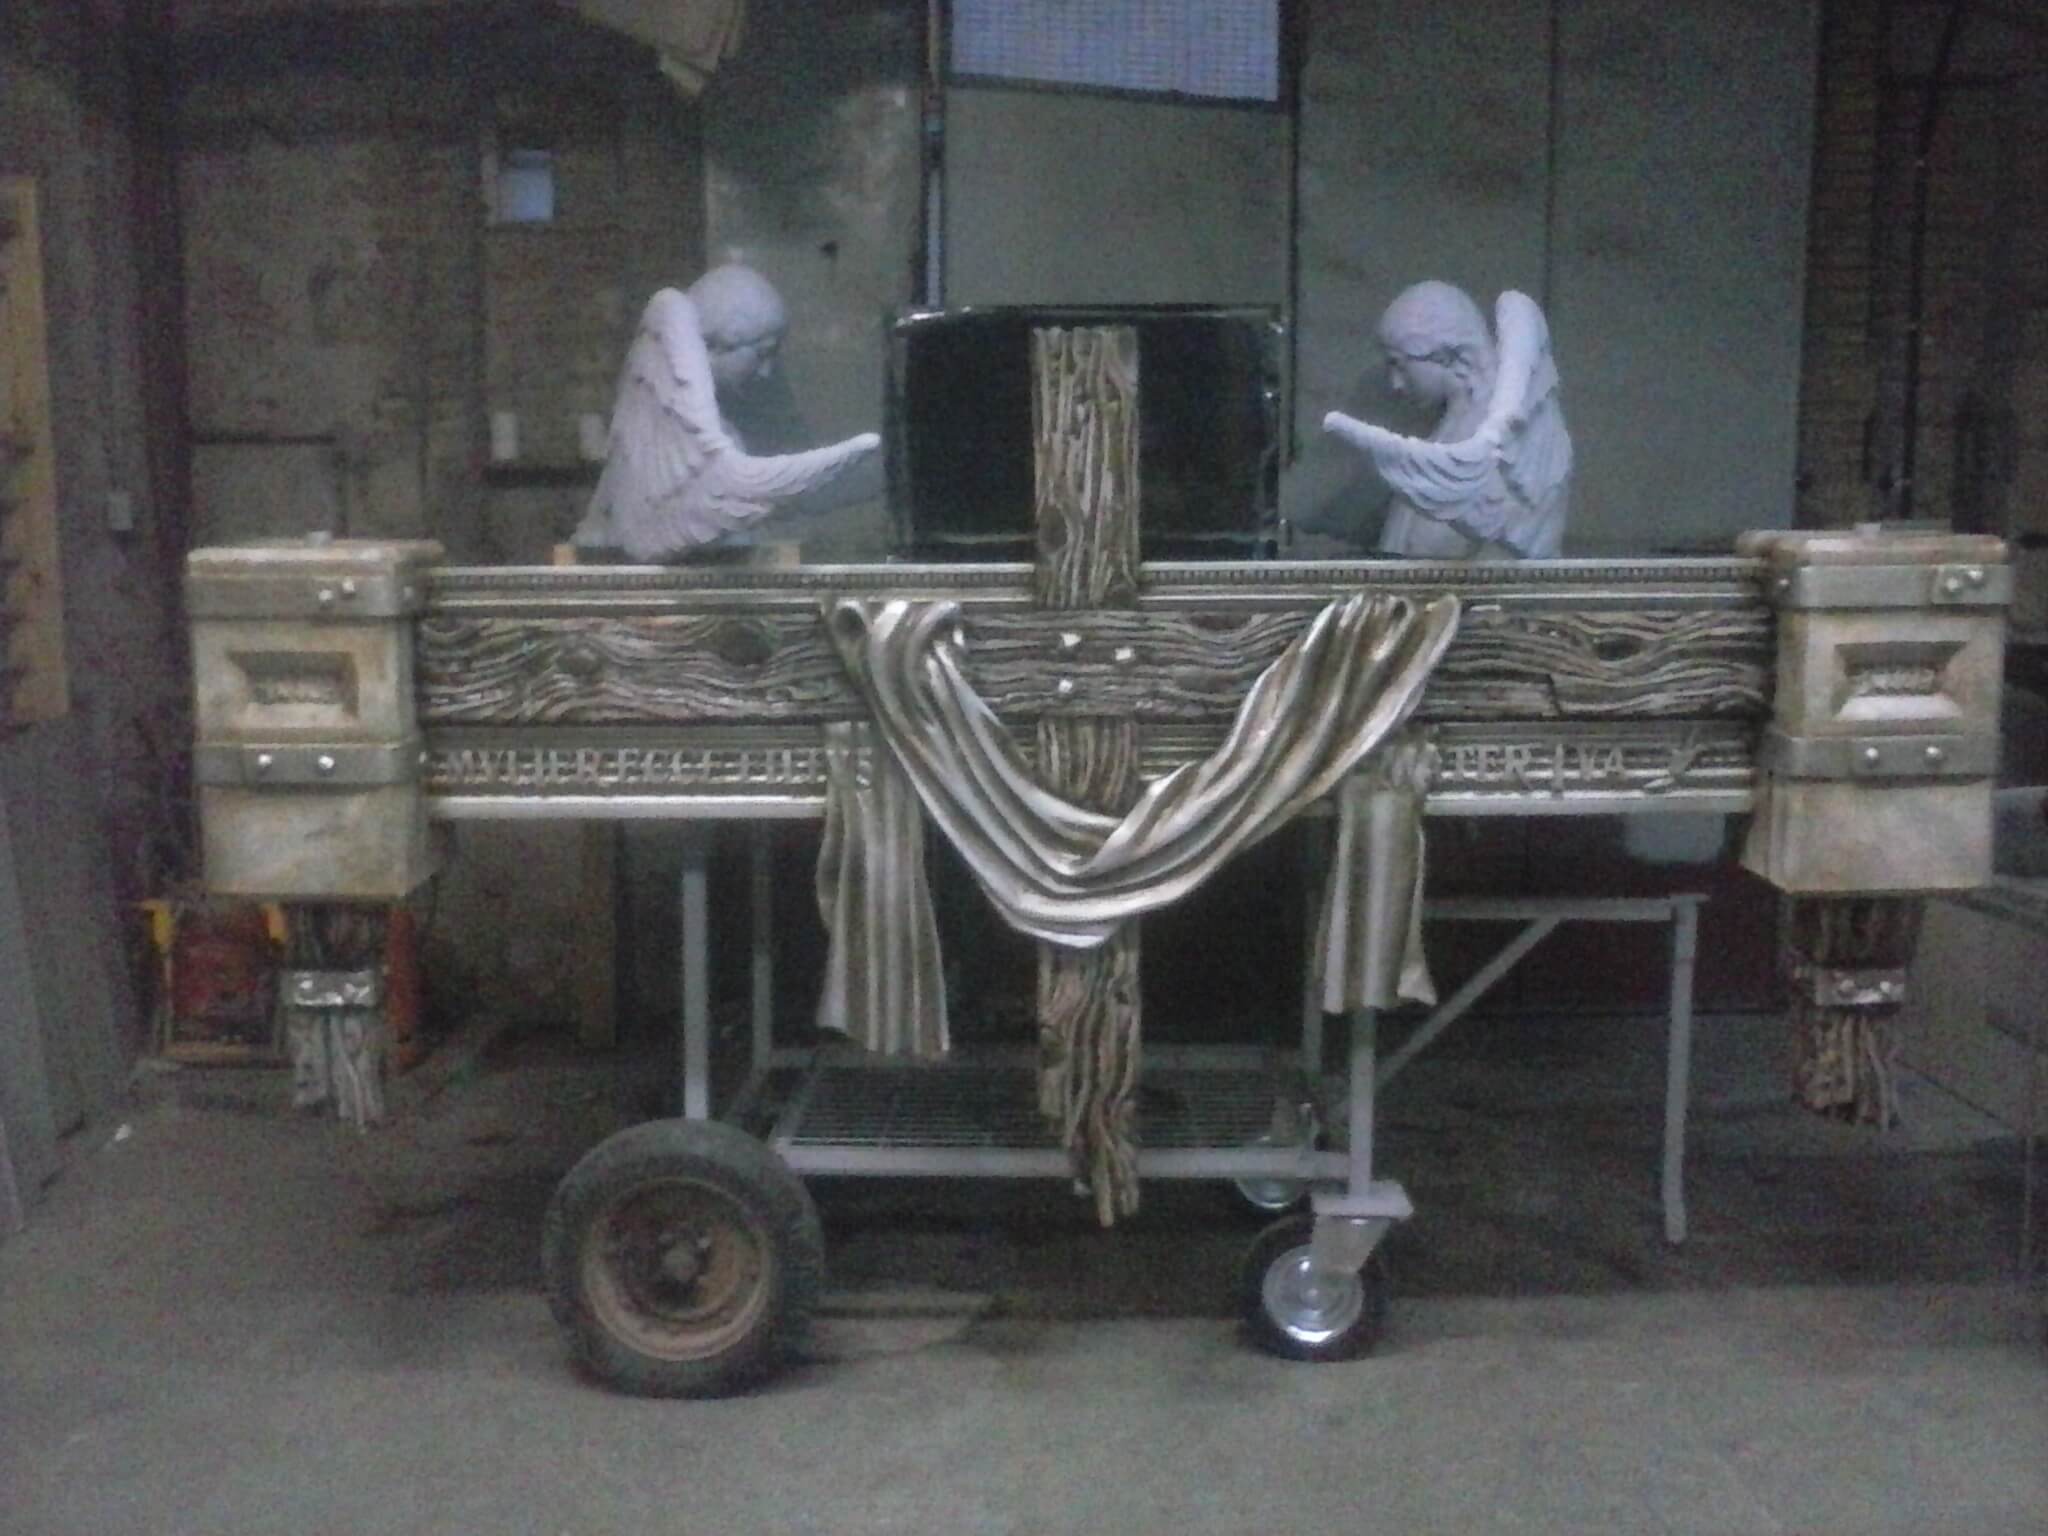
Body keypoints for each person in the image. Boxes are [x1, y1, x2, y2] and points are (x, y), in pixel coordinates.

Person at [572, 263, 879, 561]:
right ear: (717, 346)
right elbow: (737, 488)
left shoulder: (738, 414)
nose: (767, 371)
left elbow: (805, 498)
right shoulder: (691, 419)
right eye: (762, 353)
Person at [1323, 280, 1572, 561]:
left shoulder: (1511, 436)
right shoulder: (1453, 426)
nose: (1395, 384)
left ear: (1442, 355)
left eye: (1399, 364)